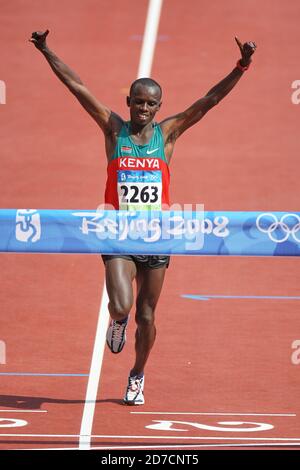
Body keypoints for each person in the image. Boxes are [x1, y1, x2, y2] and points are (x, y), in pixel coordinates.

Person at [29, 30, 256, 405]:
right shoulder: (113, 128)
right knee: (121, 305)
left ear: (159, 106)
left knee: (147, 317)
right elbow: (76, 86)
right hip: (118, 232)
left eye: (151, 105)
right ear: (129, 101)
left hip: (156, 236)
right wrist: (46, 50)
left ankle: (137, 374)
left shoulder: (167, 135)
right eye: (138, 103)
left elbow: (209, 100)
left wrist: (242, 66)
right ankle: (117, 321)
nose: (144, 110)